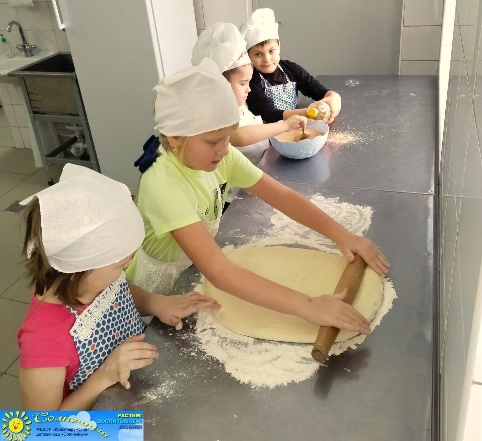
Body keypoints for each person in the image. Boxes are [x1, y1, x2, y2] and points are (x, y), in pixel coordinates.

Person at [127, 58, 389, 339]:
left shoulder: (221, 156)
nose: (224, 150)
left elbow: (283, 197)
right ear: (174, 137)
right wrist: (308, 305)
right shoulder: (164, 185)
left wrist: (344, 236)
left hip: (188, 271)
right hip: (150, 295)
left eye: (228, 137)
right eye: (213, 141)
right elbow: (219, 271)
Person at [17, 164, 219, 410]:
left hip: (135, 389)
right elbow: (40, 427)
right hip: (95, 421)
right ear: (77, 269)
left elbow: (121, 293)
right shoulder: (43, 341)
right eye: (120, 266)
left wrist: (156, 303)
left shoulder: (98, 279)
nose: (127, 266)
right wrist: (106, 374)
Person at [192, 22, 307, 165]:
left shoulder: (240, 106)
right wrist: (284, 125)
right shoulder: (217, 114)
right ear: (219, 85)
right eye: (243, 83)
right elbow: (239, 135)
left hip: (261, 167)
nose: (249, 89)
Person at [240, 8, 342, 124]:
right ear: (248, 55)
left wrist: (333, 97)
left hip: (295, 127)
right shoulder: (250, 80)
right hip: (267, 131)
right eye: (258, 54)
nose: (267, 59)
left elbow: (314, 88)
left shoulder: (291, 69)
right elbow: (268, 114)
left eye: (271, 51)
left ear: (279, 46)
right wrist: (309, 113)